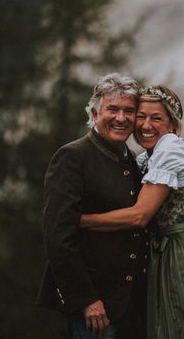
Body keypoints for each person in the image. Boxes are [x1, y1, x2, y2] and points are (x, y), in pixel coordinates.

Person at [80, 85, 184, 339]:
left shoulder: (170, 147)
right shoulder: (147, 157)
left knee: (177, 327)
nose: (146, 125)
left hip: (177, 253)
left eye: (156, 118)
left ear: (171, 124)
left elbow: (140, 215)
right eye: (141, 116)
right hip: (160, 253)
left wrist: (81, 220)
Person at [37, 73, 147, 339]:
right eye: (113, 109)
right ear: (95, 113)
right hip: (95, 308)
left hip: (129, 305)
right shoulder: (72, 157)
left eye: (129, 111)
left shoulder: (129, 159)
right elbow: (58, 238)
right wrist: (87, 300)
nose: (121, 118)